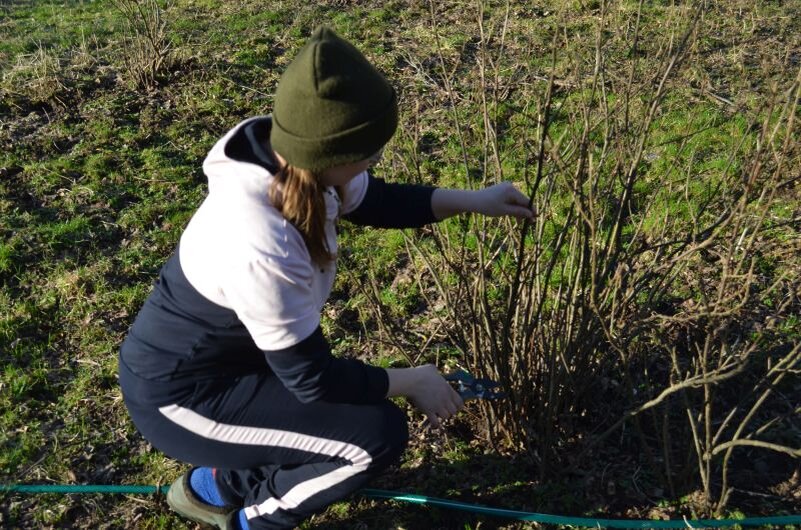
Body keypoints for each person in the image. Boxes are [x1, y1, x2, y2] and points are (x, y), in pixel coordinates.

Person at [118, 26, 534, 530]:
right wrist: (410, 381)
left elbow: (376, 199)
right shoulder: (260, 240)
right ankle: (256, 520)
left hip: (233, 366)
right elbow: (311, 379)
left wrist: (475, 200)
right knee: (371, 438)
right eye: (372, 148)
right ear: (334, 155)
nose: (380, 155)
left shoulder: (293, 154)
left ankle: (214, 486)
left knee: (361, 420)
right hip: (183, 400)